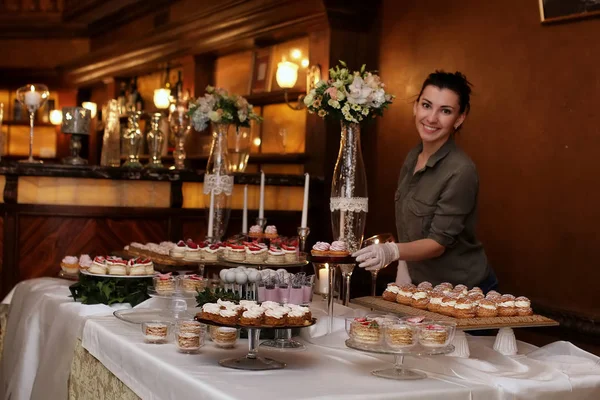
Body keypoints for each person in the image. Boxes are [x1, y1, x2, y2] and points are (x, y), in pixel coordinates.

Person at [353, 71, 498, 293]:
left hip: (464, 292)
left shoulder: (461, 170)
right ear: (415, 106)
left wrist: (392, 252)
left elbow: (437, 244)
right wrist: (404, 271)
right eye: (427, 105)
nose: (431, 118)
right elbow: (407, 226)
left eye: (446, 111)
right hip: (422, 287)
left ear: (459, 118)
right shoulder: (414, 156)